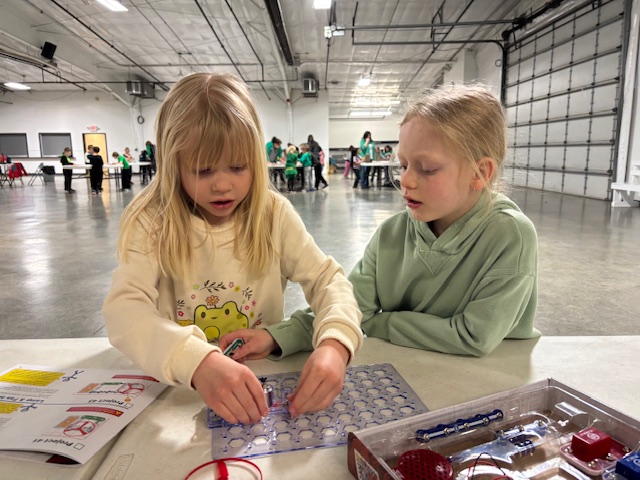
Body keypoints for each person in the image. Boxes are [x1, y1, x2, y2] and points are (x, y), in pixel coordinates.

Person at [102, 72, 363, 426]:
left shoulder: (273, 215)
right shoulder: (153, 222)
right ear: (173, 164)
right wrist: (197, 362)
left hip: (260, 384)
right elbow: (124, 310)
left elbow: (328, 281)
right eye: (203, 170)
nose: (223, 185)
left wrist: (336, 344)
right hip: (177, 393)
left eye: (238, 167)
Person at [257, 84, 539, 358]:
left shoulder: (510, 235)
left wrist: (381, 323)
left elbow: (475, 336)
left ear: (479, 173)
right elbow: (349, 305)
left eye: (426, 169)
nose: (405, 180)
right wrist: (280, 336)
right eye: (403, 165)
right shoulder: (391, 233)